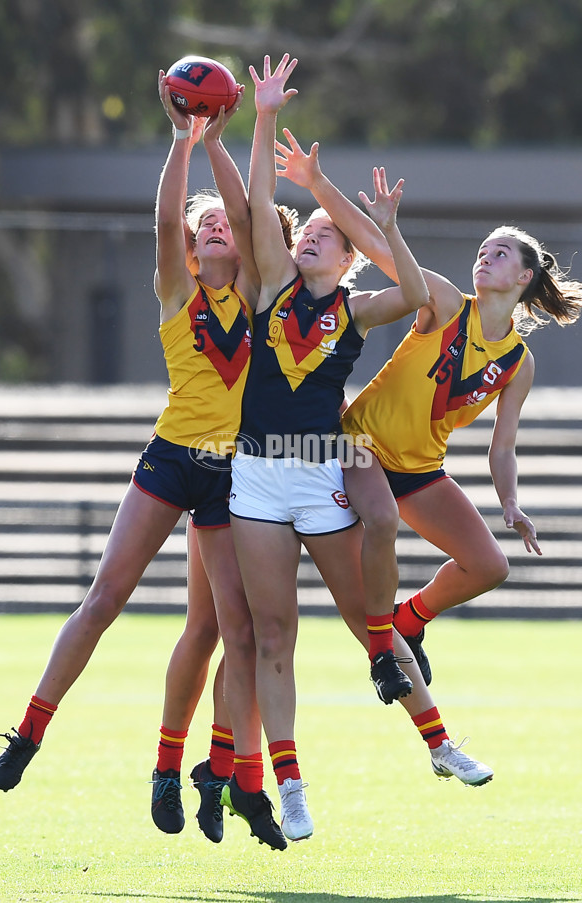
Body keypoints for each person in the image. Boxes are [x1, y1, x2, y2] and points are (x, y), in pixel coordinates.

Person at [0, 72, 287, 852]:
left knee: (236, 630)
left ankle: (193, 769)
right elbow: (166, 215)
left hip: (230, 475)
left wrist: (219, 143)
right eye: (207, 226)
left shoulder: (256, 291)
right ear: (192, 247)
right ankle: (26, 731)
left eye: (226, 224)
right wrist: (183, 139)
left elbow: (256, 218)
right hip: (169, 460)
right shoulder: (176, 290)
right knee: (104, 598)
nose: (219, 227)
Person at [221, 54, 493, 845]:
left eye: (323, 237)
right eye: (305, 233)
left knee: (370, 625)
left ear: (345, 260)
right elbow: (262, 201)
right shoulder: (269, 283)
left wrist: (392, 231)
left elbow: (416, 295)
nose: (307, 238)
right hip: (256, 477)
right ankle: (292, 782)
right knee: (276, 634)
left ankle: (440, 743)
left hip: (322, 472)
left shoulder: (359, 306)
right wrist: (264, 114)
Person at [339, 221, 582, 685]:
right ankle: (383, 648)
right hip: (359, 447)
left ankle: (406, 623)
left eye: (501, 253)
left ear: (524, 277)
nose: (485, 257)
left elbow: (504, 444)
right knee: (381, 520)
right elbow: (375, 245)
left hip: (419, 469)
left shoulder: (518, 362)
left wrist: (509, 501)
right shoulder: (447, 303)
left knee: (490, 567)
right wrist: (316, 182)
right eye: (483, 250)